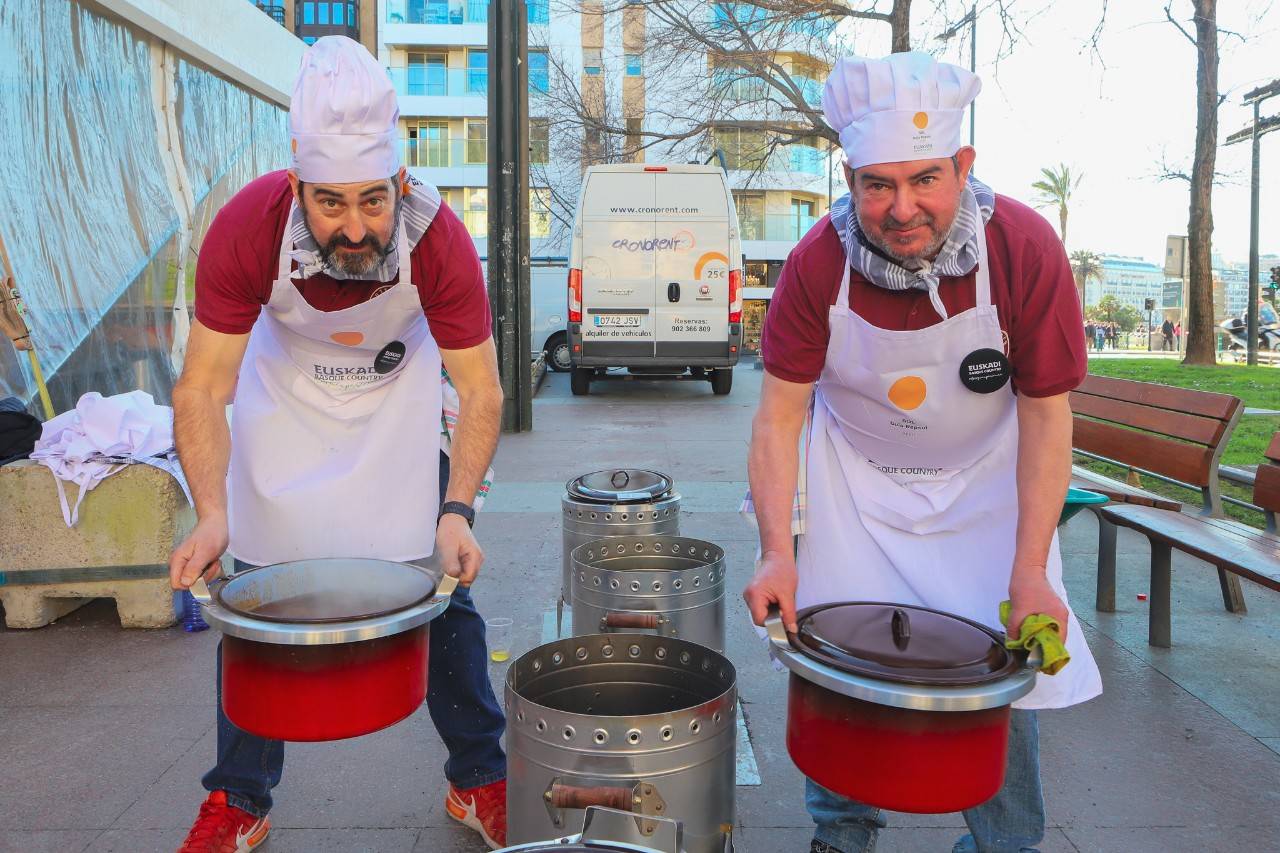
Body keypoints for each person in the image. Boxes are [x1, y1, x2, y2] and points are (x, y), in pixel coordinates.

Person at [742, 51, 1101, 853]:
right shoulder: (816, 261)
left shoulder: (1024, 247)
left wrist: (1033, 567)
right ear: (850, 177)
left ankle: (1005, 841)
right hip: (855, 487)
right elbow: (778, 418)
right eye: (878, 184)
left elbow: (1047, 416)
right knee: (831, 661)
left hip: (984, 487)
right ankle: (839, 833)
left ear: (963, 167)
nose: (902, 208)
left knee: (1000, 674)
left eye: (925, 180)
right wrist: (776, 550)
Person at [167, 38, 508, 852]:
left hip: (395, 414)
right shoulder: (247, 228)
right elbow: (202, 387)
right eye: (329, 204)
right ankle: (240, 798)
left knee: (447, 599)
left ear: (399, 182)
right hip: (285, 415)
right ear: (295, 189)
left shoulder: (441, 240)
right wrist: (212, 514)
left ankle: (481, 779)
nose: (355, 227)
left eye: (372, 200)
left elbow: (481, 390)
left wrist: (458, 510)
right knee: (251, 603)